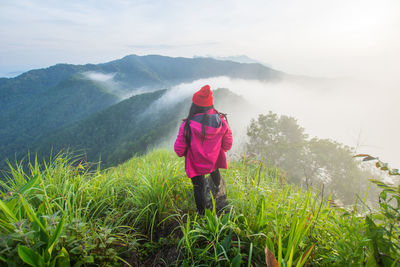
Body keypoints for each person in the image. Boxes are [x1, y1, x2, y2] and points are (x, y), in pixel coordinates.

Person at [174, 85, 233, 214]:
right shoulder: (221, 122)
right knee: (214, 170)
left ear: (194, 106)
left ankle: (201, 215)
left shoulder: (187, 126)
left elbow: (179, 151)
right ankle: (217, 191)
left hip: (196, 164)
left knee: (198, 187)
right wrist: (214, 147)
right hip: (213, 161)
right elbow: (227, 145)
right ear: (210, 105)